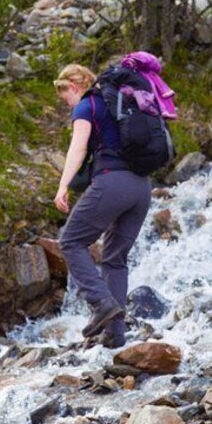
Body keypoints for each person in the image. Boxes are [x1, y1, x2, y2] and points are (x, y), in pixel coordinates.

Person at [52, 64, 152, 348]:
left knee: (70, 241)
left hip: (113, 183)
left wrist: (63, 186)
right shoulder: (121, 104)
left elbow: (78, 147)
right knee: (114, 259)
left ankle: (100, 303)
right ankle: (114, 337)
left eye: (65, 98)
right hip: (142, 187)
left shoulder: (87, 106)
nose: (67, 104)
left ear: (72, 87)